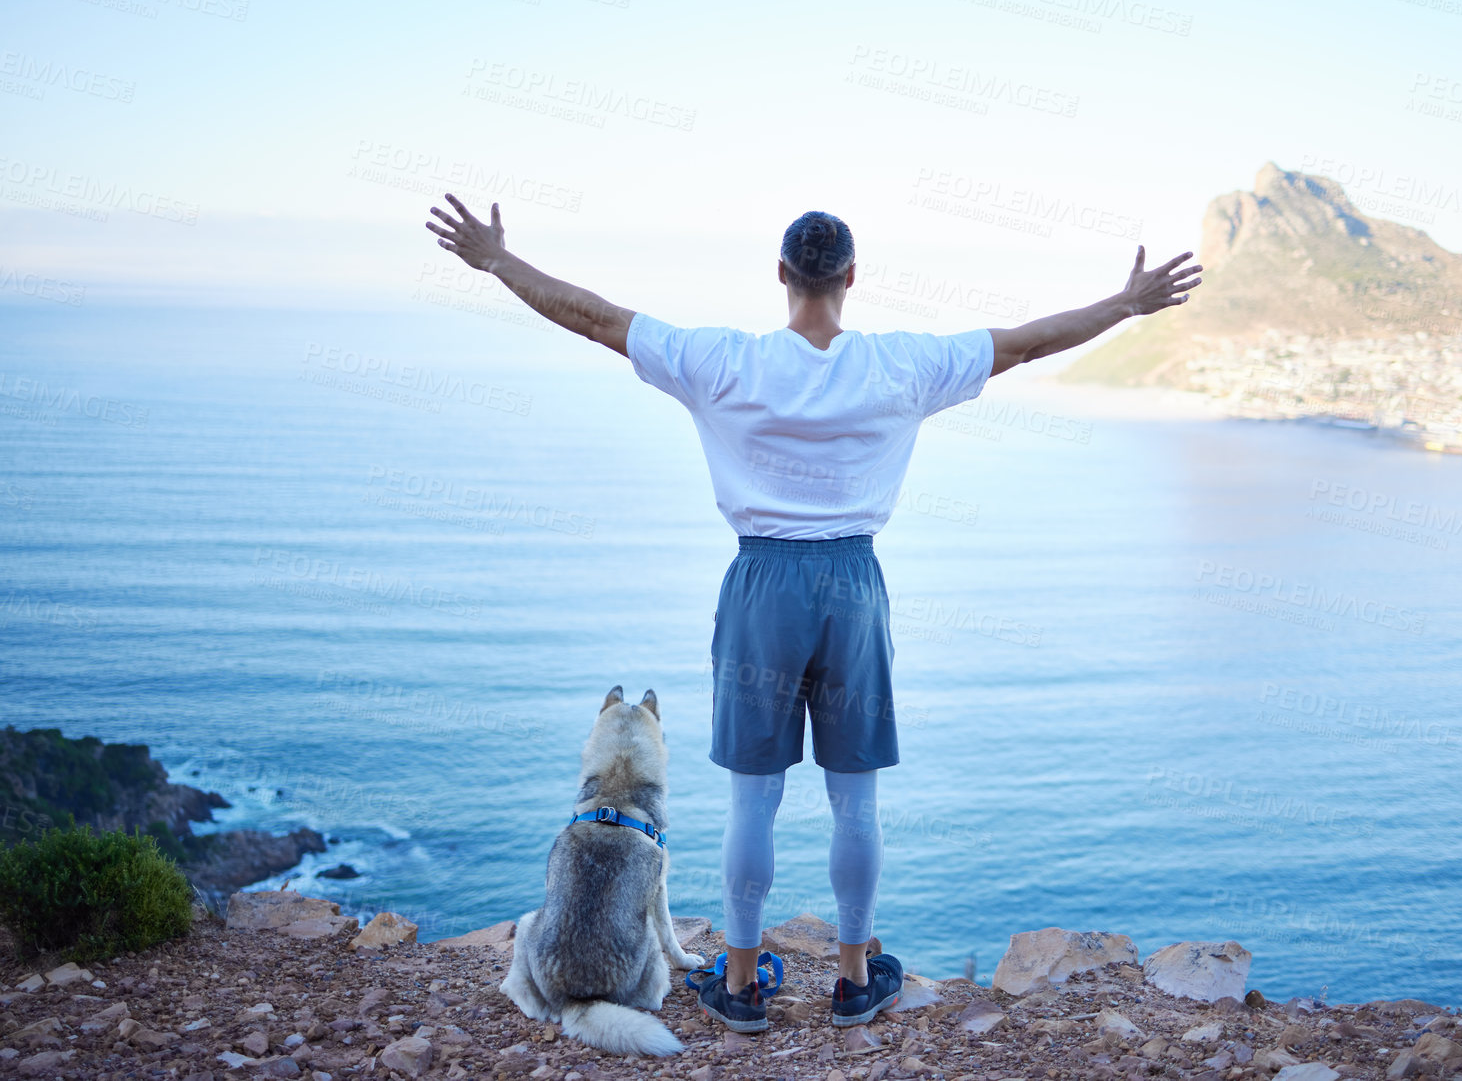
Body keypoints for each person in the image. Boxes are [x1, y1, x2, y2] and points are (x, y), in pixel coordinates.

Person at [424, 195, 1202, 1031]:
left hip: (762, 584)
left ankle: (744, 981)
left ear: (783, 275)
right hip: (854, 585)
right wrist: (1125, 303)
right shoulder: (902, 365)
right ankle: (853, 977)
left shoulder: (719, 361)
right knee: (853, 802)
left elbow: (594, 318)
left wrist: (499, 263)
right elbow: (1025, 342)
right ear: (852, 279)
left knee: (751, 803)